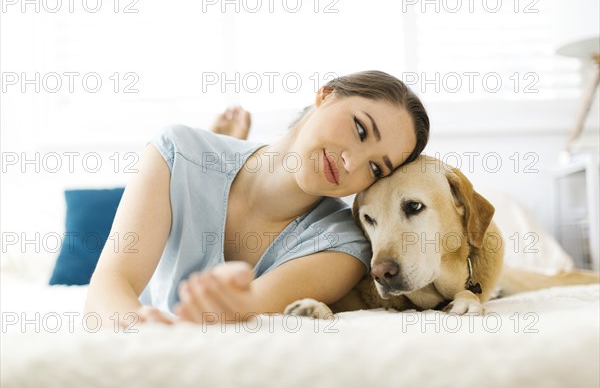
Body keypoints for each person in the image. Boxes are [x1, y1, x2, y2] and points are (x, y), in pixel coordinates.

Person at [83, 70, 430, 327]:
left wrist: (221, 304)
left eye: (374, 168)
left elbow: (237, 313)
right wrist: (140, 333)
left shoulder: (344, 246)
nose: (351, 163)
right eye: (359, 129)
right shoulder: (178, 151)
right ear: (326, 95)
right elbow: (110, 285)